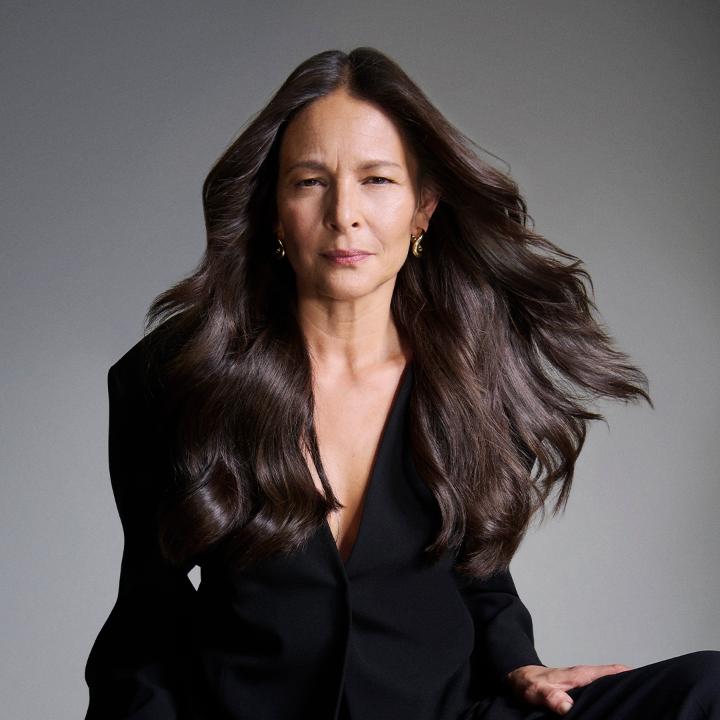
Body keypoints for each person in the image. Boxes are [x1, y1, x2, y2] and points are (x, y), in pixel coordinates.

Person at [83, 47, 719, 720]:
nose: (345, 214)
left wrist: (519, 663)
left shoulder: (471, 375)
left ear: (423, 208)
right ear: (274, 210)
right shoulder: (177, 376)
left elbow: (479, 575)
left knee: (706, 689)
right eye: (310, 181)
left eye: (377, 180)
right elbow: (148, 615)